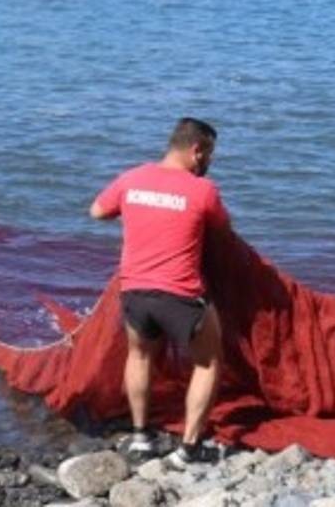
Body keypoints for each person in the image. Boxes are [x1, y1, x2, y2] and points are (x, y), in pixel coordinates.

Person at [90, 117, 230, 466]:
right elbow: (223, 231)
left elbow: (96, 212)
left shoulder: (131, 178)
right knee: (209, 361)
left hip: (135, 293)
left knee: (139, 356)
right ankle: (189, 448)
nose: (209, 162)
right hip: (181, 296)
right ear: (196, 150)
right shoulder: (203, 190)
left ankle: (140, 438)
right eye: (209, 154)